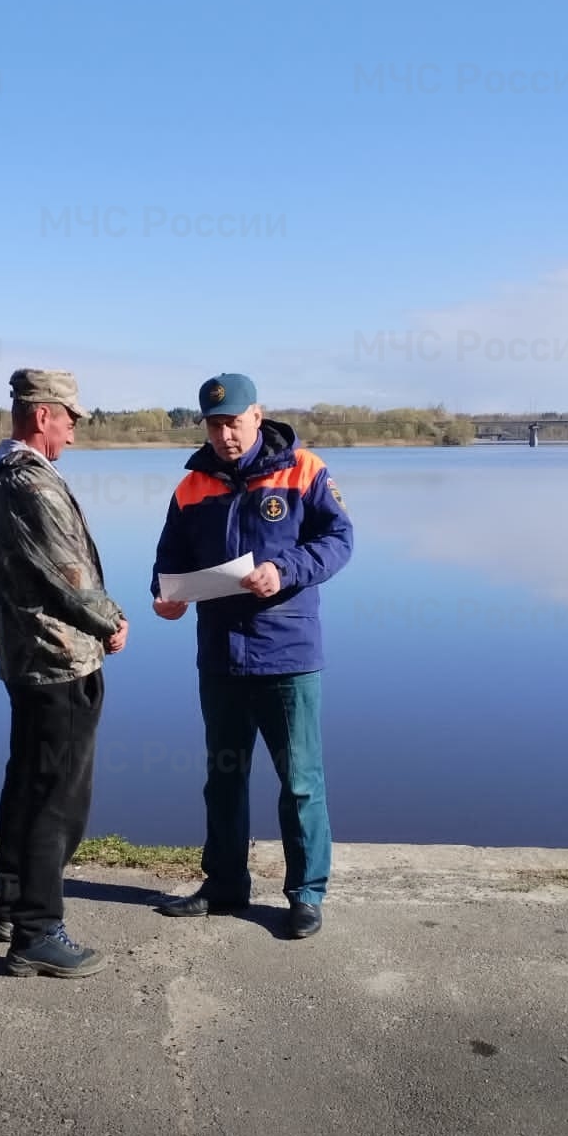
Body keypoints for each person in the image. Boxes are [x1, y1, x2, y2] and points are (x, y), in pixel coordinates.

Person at [150, 374, 353, 938]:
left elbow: (339, 541)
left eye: (233, 422)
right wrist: (164, 598)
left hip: (287, 654)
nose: (224, 434)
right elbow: (169, 559)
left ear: (257, 416)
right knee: (224, 778)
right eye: (214, 424)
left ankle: (306, 894)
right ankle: (224, 886)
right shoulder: (190, 486)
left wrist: (284, 570)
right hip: (220, 657)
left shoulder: (304, 469)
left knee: (301, 781)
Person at [0, 369, 128, 977]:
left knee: (29, 780)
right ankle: (38, 930)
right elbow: (70, 576)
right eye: (69, 418)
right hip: (57, 658)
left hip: (28, 658)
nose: (73, 431)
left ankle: (13, 902)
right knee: (56, 797)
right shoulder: (31, 485)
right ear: (43, 415)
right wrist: (112, 620)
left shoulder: (5, 475)